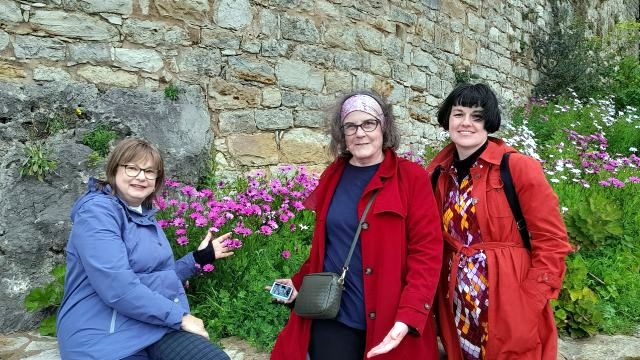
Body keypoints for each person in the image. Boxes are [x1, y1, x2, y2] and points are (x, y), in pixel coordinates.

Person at [270, 91, 444, 360]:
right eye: (350, 126)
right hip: (335, 318)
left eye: (368, 123)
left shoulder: (411, 178)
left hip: (390, 319)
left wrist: (410, 315)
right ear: (342, 133)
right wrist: (297, 283)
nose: (359, 133)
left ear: (383, 126)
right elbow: (327, 247)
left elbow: (427, 254)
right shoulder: (334, 175)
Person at [426, 83, 573, 359]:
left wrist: (531, 299)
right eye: (458, 114)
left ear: (488, 123)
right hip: (457, 300)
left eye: (477, 116)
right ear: (448, 119)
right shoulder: (438, 173)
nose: (466, 123)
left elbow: (552, 241)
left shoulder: (517, 168)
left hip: (508, 295)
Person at [56, 138, 234, 360]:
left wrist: (198, 258)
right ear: (114, 169)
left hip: (151, 323)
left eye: (150, 171)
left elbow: (151, 277)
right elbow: (117, 286)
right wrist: (180, 318)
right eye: (132, 168)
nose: (141, 177)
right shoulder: (97, 214)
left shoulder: (143, 214)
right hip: (102, 332)